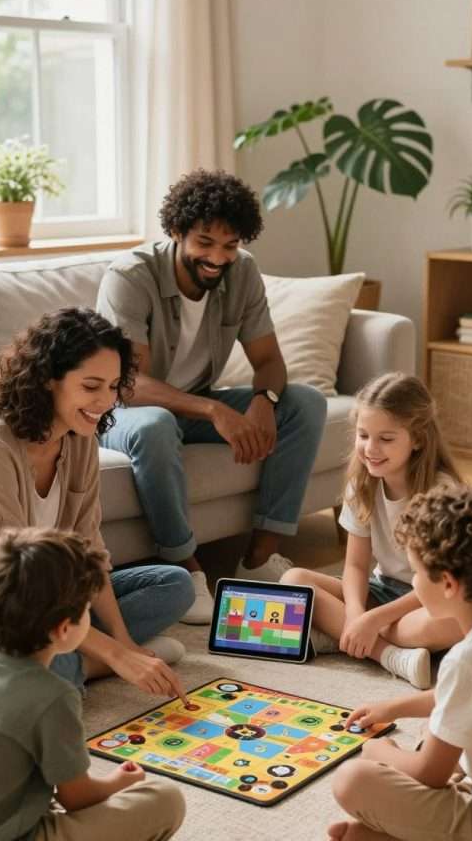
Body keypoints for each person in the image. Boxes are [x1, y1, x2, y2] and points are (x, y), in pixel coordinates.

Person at [96, 168, 327, 624]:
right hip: (124, 410)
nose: (218, 258)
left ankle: (258, 559)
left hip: (194, 402)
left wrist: (266, 403)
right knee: (158, 424)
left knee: (305, 403)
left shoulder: (242, 272)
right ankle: (187, 568)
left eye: (230, 245)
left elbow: (270, 362)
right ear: (177, 232)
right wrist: (214, 409)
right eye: (205, 242)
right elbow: (127, 383)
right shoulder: (131, 276)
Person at [0, 306, 195, 695]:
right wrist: (118, 656)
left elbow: (90, 553)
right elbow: (15, 587)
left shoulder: (79, 436)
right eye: (91, 387)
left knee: (175, 585)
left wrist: (124, 643)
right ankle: (85, 666)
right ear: (47, 380)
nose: (106, 402)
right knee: (20, 675)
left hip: (48, 601)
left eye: (113, 386)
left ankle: (83, 661)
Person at [0, 527, 190, 841]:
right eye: (87, 610)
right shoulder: (52, 696)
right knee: (166, 800)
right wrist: (117, 782)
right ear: (64, 629)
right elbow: (79, 800)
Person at [327, 482, 472, 841]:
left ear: (448, 583)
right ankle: (416, 831)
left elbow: (431, 773)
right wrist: (395, 706)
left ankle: (426, 836)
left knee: (353, 779)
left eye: (415, 572)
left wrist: (383, 752)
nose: (412, 584)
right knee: (449, 731)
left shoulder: (469, 659)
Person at [282, 373, 462, 688]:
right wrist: (355, 613)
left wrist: (374, 619)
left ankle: (342, 635)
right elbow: (355, 565)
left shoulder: (441, 492)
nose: (371, 449)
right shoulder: (362, 484)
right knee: (294, 581)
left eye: (386, 439)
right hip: (381, 591)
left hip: (426, 600)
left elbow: (440, 584)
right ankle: (388, 655)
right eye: (363, 435)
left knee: (450, 622)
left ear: (417, 438)